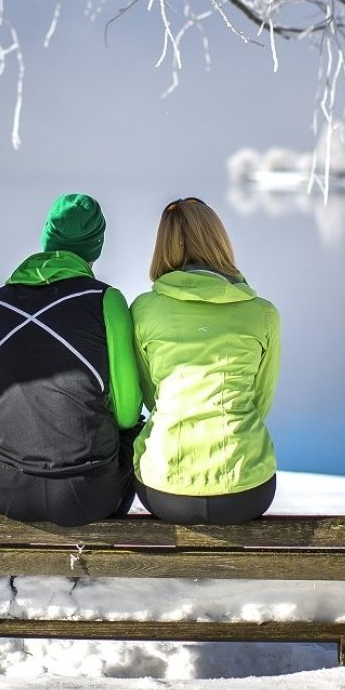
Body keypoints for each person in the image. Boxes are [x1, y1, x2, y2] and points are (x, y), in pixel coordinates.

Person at [0, 193, 144, 526]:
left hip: (5, 490)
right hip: (88, 494)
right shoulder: (105, 300)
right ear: (96, 246)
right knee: (136, 432)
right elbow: (126, 414)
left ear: (46, 237)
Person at [131, 196, 280, 524]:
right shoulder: (263, 314)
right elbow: (259, 400)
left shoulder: (143, 310)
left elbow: (150, 396)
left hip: (165, 489)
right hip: (245, 489)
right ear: (219, 241)